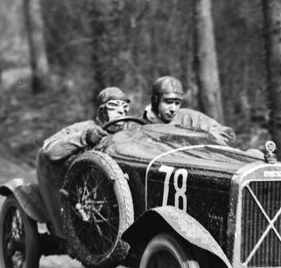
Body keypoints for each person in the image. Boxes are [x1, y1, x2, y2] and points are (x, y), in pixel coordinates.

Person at [35, 86, 132, 227]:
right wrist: (85, 136)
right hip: (82, 194)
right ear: (102, 110)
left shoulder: (130, 133)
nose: (121, 111)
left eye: (125, 107)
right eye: (114, 106)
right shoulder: (85, 127)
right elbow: (49, 149)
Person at [140, 75, 235, 146]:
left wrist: (202, 139)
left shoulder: (190, 118)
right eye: (168, 102)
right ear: (155, 100)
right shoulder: (138, 125)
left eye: (177, 103)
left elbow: (226, 134)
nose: (173, 109)